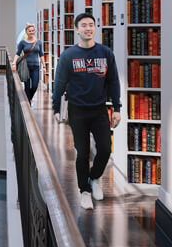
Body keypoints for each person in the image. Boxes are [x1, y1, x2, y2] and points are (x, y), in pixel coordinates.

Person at [52, 12, 121, 211]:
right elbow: (59, 83)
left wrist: (117, 108)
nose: (88, 28)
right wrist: (57, 108)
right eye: (84, 25)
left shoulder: (105, 53)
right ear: (77, 29)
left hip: (99, 110)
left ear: (94, 27)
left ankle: (94, 178)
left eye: (91, 24)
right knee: (82, 153)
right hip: (77, 111)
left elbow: (113, 81)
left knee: (106, 149)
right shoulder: (68, 55)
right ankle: (84, 191)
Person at [11, 23, 46, 103]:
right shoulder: (22, 42)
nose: (31, 32)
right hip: (26, 67)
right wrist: (14, 63)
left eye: (33, 30)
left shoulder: (39, 42)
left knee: (35, 86)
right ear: (26, 32)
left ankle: (29, 98)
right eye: (30, 31)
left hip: (36, 67)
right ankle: (28, 104)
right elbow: (18, 53)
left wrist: (44, 66)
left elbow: (41, 54)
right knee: (27, 87)